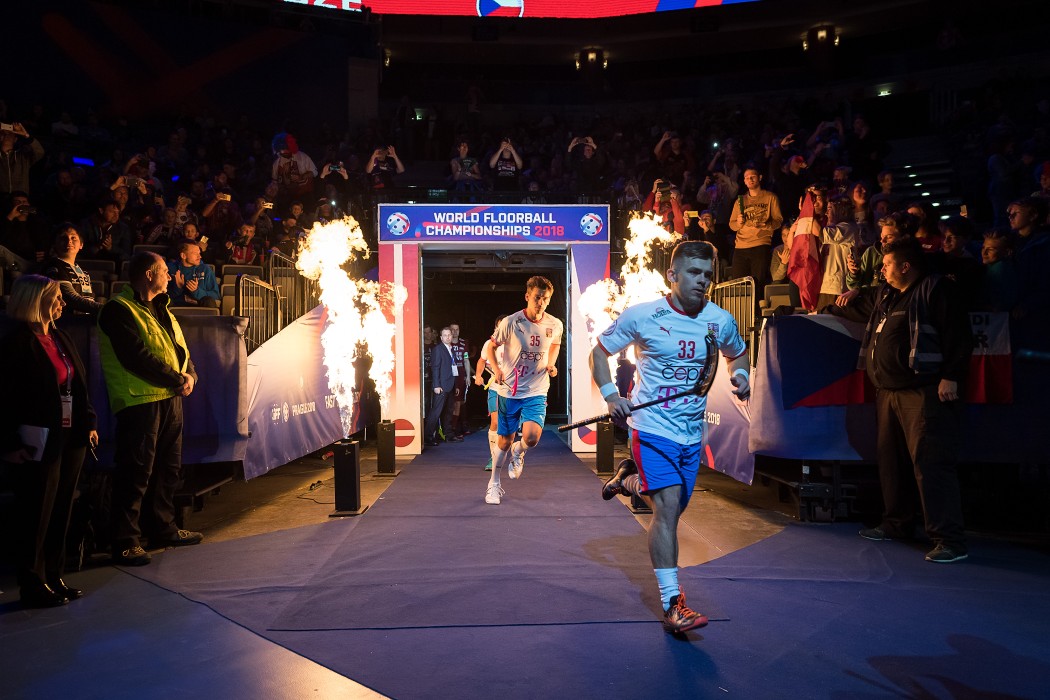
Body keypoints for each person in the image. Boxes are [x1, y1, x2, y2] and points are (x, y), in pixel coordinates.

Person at [589, 241, 750, 634]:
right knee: (668, 508)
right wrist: (612, 396)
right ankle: (672, 603)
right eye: (695, 273)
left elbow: (737, 354)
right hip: (651, 429)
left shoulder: (720, 320)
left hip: (691, 435)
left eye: (708, 275)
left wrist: (741, 376)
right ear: (673, 275)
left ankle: (628, 480)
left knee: (672, 510)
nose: (703, 281)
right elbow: (598, 353)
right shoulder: (643, 316)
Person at [854, 237, 973, 563]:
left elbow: (959, 334)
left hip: (924, 391)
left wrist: (952, 374)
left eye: (887, 264)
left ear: (905, 266)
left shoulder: (936, 289)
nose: (882, 269)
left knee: (930, 463)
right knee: (891, 462)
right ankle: (896, 524)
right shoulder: (889, 295)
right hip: (889, 393)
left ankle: (949, 540)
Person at [98, 251, 202, 566]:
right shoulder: (118, 309)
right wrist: (176, 378)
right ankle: (125, 540)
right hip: (139, 402)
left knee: (168, 470)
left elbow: (179, 351)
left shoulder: (164, 309)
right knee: (135, 471)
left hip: (169, 399)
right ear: (148, 274)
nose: (170, 276)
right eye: (165, 271)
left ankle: (163, 528)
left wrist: (191, 377)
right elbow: (137, 356)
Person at [0, 275, 99, 607]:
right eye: (56, 297)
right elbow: (5, 399)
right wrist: (9, 443)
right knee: (35, 511)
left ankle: (54, 574)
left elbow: (79, 384)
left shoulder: (60, 337)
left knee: (61, 507)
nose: (62, 303)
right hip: (35, 441)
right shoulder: (15, 343)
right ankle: (32, 581)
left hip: (69, 437)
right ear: (35, 301)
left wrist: (89, 423)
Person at [483, 276, 563, 505]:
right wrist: (496, 369)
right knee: (504, 440)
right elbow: (491, 346)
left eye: (546, 299)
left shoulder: (555, 324)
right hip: (510, 390)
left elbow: (555, 344)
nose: (541, 302)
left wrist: (550, 363)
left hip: (537, 389)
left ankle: (519, 452)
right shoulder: (511, 322)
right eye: (537, 297)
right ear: (528, 296)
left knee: (531, 438)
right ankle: (494, 484)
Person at [728, 167, 783, 297]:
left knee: (758, 283)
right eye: (747, 178)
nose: (750, 179)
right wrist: (739, 223)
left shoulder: (770, 197)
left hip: (760, 244)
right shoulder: (740, 201)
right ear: (744, 182)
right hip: (740, 246)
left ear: (760, 178)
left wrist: (766, 225)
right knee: (739, 284)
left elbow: (778, 220)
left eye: (752, 176)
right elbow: (732, 225)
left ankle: (757, 314)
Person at [41, 224, 104, 316]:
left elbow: (89, 298)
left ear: (81, 245)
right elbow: (69, 297)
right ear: (54, 244)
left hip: (83, 322)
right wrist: (104, 308)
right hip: (67, 323)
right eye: (63, 238)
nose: (69, 241)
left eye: (73, 238)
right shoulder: (54, 266)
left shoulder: (83, 272)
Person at [473, 315, 506, 471]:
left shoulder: (517, 343)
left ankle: (509, 453)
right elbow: (481, 361)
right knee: (495, 422)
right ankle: (493, 457)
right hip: (494, 388)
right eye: (498, 327)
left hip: (512, 391)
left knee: (509, 427)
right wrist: (479, 375)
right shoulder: (489, 344)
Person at [424, 327, 460, 447]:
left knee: (449, 411)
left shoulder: (451, 348)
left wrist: (455, 384)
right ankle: (428, 437)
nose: (448, 337)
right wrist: (436, 385)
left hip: (450, 384)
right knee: (436, 412)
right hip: (441, 386)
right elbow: (435, 368)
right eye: (445, 335)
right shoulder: (438, 349)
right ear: (441, 337)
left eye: (449, 335)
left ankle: (448, 435)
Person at [168, 240, 220, 308]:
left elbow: (216, 296)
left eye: (199, 253)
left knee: (209, 301)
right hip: (178, 306)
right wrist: (178, 288)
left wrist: (196, 291)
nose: (200, 257)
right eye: (195, 254)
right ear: (183, 255)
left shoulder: (205, 269)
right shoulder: (170, 269)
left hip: (200, 307)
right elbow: (163, 296)